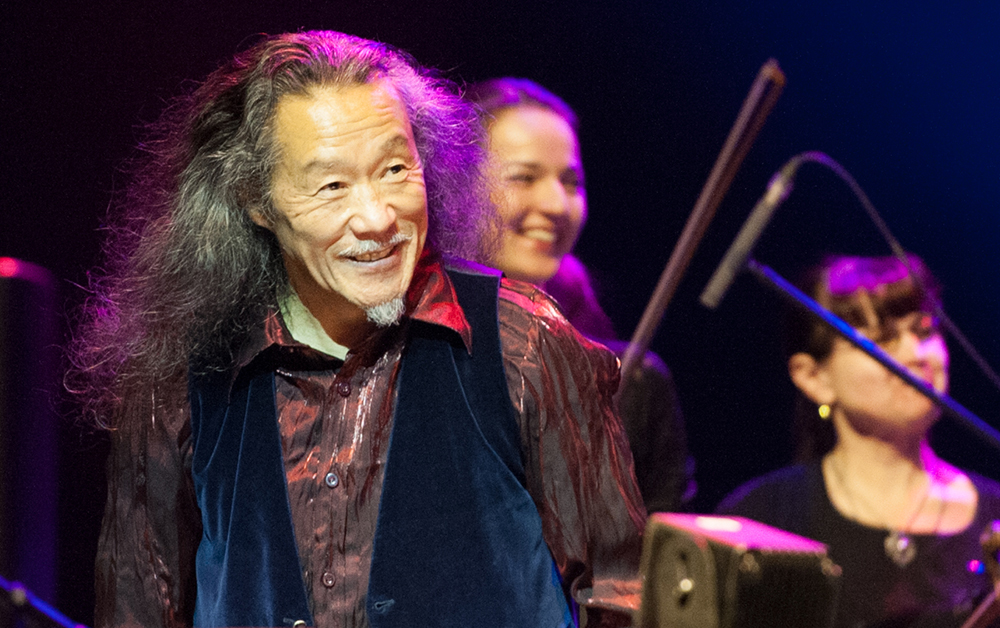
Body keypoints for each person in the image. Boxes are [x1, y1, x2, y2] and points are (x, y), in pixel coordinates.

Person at [68, 31, 645, 628]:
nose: (377, 218)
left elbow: (623, 596)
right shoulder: (183, 377)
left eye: (395, 169)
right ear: (255, 200)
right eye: (332, 186)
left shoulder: (523, 344)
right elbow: (136, 609)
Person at [717, 254, 1000, 628]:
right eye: (882, 339)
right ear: (814, 378)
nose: (915, 354)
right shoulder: (761, 519)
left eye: (924, 330)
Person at [465, 77, 695, 513]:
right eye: (524, 177)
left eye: (571, 182)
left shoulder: (631, 384)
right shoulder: (411, 358)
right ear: (455, 187)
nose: (557, 205)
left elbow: (665, 547)